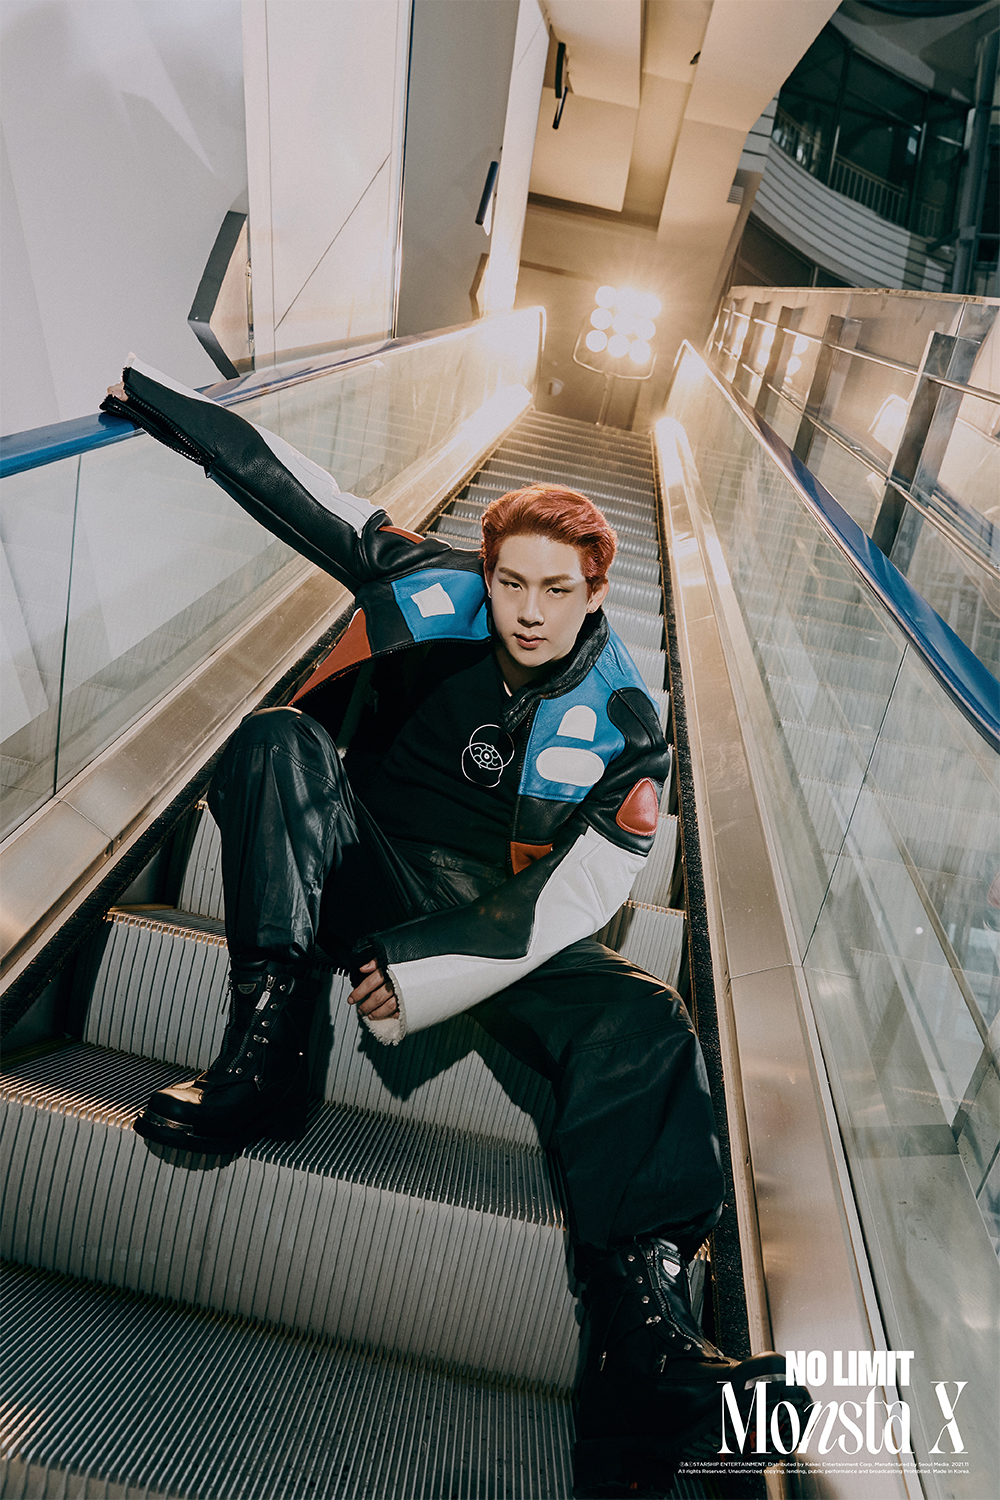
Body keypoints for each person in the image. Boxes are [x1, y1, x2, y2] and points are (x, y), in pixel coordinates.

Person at [102, 362, 809, 1497]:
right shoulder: (429, 582)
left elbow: (578, 899)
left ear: (595, 591)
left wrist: (425, 967)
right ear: (487, 570)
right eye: (510, 581)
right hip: (364, 862)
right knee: (276, 738)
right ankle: (265, 1054)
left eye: (556, 590)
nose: (528, 610)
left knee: (646, 1019)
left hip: (500, 922)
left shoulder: (629, 724)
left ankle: (647, 1346)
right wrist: (164, 408)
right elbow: (298, 486)